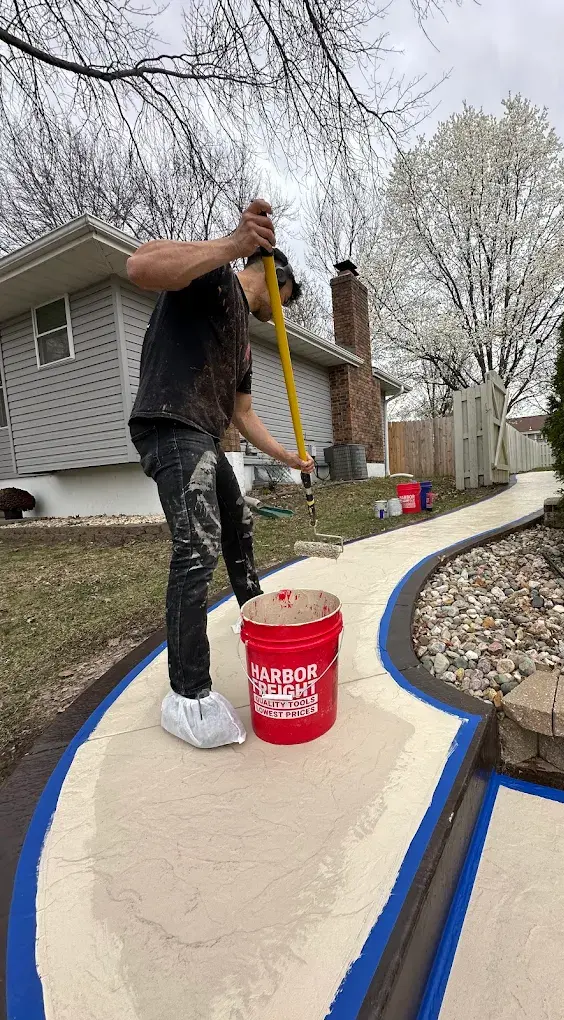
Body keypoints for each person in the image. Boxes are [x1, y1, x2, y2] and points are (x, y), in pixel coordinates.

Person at [126, 198, 315, 747]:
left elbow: (243, 413)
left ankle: (257, 624)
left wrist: (288, 459)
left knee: (238, 528)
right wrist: (234, 245)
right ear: (273, 281)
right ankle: (187, 696)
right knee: (198, 545)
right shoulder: (216, 280)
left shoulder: (242, 344)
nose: (279, 317)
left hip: (206, 436)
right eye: (283, 304)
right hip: (170, 423)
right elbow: (141, 266)